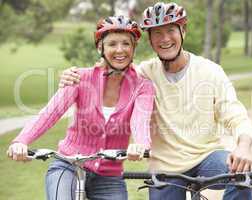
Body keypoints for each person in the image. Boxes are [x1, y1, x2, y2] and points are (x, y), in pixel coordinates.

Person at [59, 2, 252, 200]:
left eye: (171, 30)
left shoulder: (211, 71)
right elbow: (108, 68)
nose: (165, 39)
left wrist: (243, 146)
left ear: (183, 31)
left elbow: (236, 115)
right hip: (164, 167)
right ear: (150, 40)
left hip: (206, 158)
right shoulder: (143, 75)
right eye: (157, 33)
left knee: (240, 176)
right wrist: (72, 76)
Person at [7, 15, 155, 200]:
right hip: (68, 164)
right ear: (100, 47)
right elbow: (49, 113)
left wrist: (141, 145)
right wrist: (21, 141)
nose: (120, 50)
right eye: (112, 44)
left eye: (126, 43)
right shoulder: (79, 78)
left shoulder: (142, 86)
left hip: (108, 176)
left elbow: (140, 121)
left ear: (133, 48)